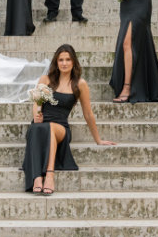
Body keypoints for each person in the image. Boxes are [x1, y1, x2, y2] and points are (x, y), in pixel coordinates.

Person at [21, 44, 116, 194]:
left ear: (73, 62)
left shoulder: (80, 84)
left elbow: (88, 114)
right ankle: (37, 178)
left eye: (68, 60)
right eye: (61, 60)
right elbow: (36, 102)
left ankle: (50, 175)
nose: (64, 63)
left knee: (50, 127)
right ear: (56, 62)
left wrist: (98, 140)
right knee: (38, 128)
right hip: (40, 125)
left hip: (60, 128)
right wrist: (36, 114)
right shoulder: (45, 79)